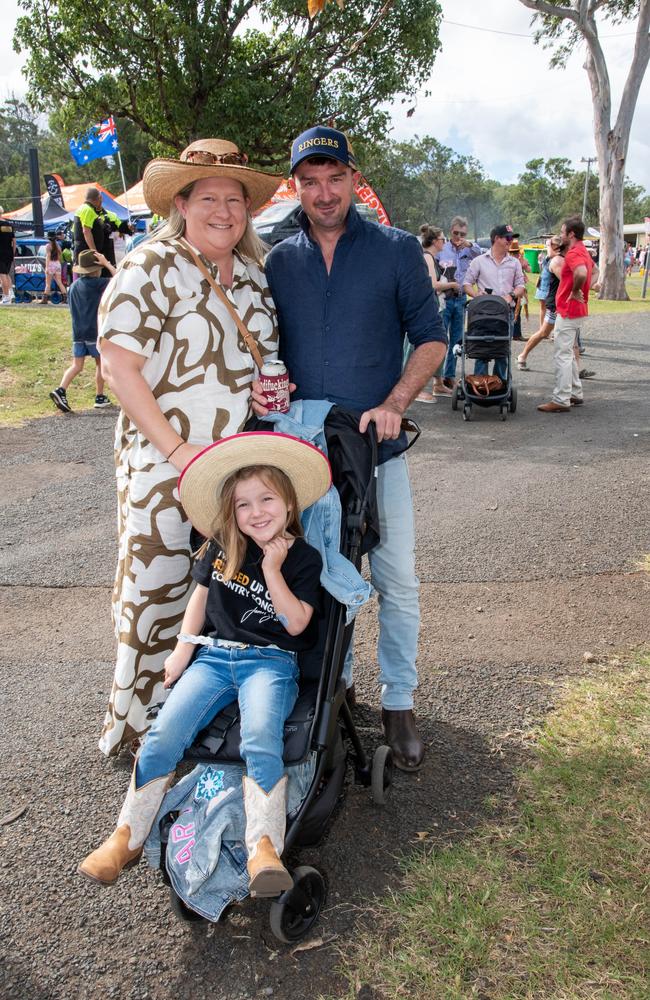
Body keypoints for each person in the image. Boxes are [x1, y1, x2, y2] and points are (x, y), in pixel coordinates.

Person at [255, 124, 447, 772]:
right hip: (306, 455)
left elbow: (431, 338)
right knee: (320, 574)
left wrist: (395, 403)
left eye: (334, 177)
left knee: (394, 577)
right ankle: (332, 687)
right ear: (297, 186)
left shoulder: (395, 251)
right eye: (309, 181)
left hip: (377, 451)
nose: (324, 192)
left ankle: (399, 700)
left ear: (353, 179)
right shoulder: (278, 260)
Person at [79, 433, 329, 895]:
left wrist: (273, 572)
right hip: (214, 658)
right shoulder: (221, 547)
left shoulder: (304, 560)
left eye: (266, 499)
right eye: (243, 505)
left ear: (289, 503)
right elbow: (199, 599)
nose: (256, 512)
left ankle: (263, 847)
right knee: (163, 735)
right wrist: (182, 649)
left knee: (260, 737)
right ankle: (126, 836)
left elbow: (296, 625)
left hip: (270, 664)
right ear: (231, 513)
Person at [96, 138, 282, 757]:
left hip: (235, 467)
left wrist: (273, 392)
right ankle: (139, 732)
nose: (224, 210)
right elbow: (119, 369)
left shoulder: (254, 276)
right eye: (208, 197)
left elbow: (261, 363)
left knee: (222, 596)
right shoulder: (152, 264)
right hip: (163, 463)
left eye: (235, 199)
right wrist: (179, 454)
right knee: (156, 591)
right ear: (180, 202)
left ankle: (199, 726)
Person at [538, 215, 593, 413]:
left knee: (562, 353)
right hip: (576, 309)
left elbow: (581, 274)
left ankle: (561, 399)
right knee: (568, 352)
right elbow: (593, 273)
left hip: (569, 309)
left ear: (571, 234)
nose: (560, 235)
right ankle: (575, 393)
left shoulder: (572, 253)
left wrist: (576, 290)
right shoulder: (583, 251)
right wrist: (587, 287)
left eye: (562, 232)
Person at [49, 250, 116, 413]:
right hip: (94, 331)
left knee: (76, 365)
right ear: (96, 268)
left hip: (77, 332)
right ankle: (99, 396)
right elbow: (120, 279)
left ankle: (61, 390)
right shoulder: (99, 283)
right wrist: (107, 263)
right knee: (100, 363)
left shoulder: (73, 286)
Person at [463, 224, 526, 383]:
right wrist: (477, 295)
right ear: (496, 239)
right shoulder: (479, 261)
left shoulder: (514, 263)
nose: (511, 241)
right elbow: (466, 284)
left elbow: (521, 286)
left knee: (502, 352)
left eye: (512, 238)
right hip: (483, 314)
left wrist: (511, 295)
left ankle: (499, 385)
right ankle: (480, 385)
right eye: (508, 238)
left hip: (505, 313)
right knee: (481, 350)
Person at [436, 215, 483, 387]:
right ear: (450, 231)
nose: (458, 237)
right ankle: (437, 378)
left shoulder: (469, 249)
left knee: (456, 340)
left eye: (462, 234)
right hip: (444, 298)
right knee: (441, 339)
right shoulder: (442, 249)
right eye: (456, 233)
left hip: (461, 299)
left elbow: (483, 254)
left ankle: (450, 375)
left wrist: (469, 244)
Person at [415, 225, 456, 400]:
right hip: (426, 309)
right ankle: (416, 389)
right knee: (423, 347)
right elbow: (432, 285)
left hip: (435, 306)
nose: (445, 242)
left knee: (440, 344)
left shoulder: (431, 257)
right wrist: (452, 285)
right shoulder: (427, 257)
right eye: (443, 239)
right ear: (434, 241)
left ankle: (438, 383)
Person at [517, 236, 564, 370]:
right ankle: (522, 355)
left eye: (549, 245)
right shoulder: (553, 261)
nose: (547, 248)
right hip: (555, 304)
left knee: (571, 337)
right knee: (543, 333)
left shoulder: (559, 259)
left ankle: (575, 368)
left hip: (564, 304)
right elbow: (566, 282)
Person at [73, 187, 132, 275]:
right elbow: (86, 232)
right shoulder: (88, 210)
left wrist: (128, 229)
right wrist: (95, 253)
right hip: (89, 255)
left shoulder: (81, 210)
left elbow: (122, 228)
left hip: (97, 253)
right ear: (99, 198)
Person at [41, 231, 68, 304]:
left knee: (48, 283)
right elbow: (60, 256)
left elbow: (48, 257)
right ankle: (65, 298)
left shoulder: (48, 246)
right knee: (59, 282)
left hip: (51, 264)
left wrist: (47, 267)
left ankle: (45, 299)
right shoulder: (58, 246)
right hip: (57, 264)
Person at [0, 207, 16, 305]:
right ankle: (11, 293)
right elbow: (14, 241)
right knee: (6, 274)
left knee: (2, 275)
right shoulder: (9, 225)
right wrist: (13, 253)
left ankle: (6, 297)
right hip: (9, 253)